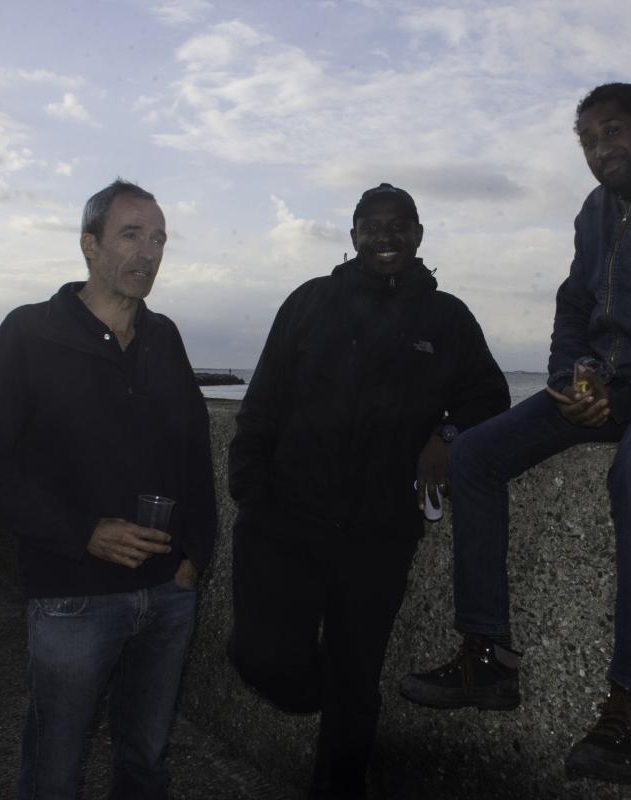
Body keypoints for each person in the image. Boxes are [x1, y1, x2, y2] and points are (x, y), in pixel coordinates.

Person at [400, 82, 631, 785]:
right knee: (475, 454)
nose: (600, 148)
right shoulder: (594, 212)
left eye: (612, 130)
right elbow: (573, 306)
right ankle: (487, 658)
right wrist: (570, 381)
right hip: (609, 390)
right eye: (588, 140)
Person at [227, 183, 510, 799]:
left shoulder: (447, 318)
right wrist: (250, 489)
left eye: (398, 224)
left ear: (418, 234)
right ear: (353, 234)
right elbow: (263, 399)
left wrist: (446, 435)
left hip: (379, 533)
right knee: (261, 658)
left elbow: (490, 396)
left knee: (357, 681)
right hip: (287, 520)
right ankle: (321, 691)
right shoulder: (310, 301)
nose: (385, 235)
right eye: (372, 225)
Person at [0, 179, 218, 799]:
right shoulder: (30, 332)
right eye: (130, 235)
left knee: (145, 761)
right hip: (72, 597)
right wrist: (83, 534)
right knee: (55, 767)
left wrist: (193, 558)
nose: (147, 252)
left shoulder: (164, 337)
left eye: (158, 239)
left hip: (167, 594)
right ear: (89, 244)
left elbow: (195, 454)